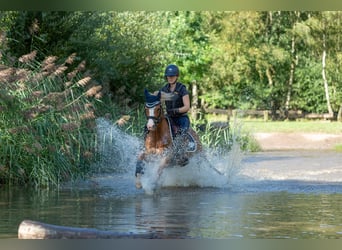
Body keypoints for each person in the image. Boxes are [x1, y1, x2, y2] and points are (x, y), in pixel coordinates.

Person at [160, 64, 191, 166]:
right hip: (169, 118)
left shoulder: (182, 89)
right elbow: (158, 100)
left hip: (181, 118)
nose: (170, 78)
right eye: (168, 76)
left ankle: (182, 156)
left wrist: (175, 110)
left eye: (172, 76)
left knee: (182, 133)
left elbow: (187, 107)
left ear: (176, 76)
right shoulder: (164, 89)